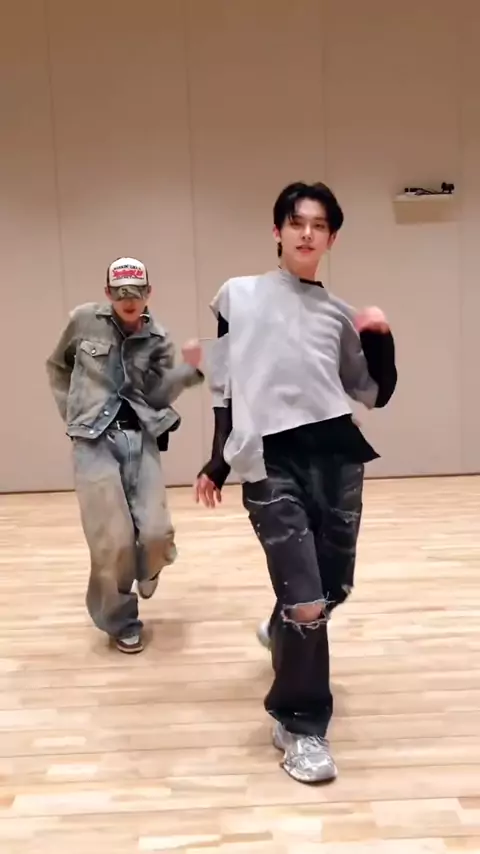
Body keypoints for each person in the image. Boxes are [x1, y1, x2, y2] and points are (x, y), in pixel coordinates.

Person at [194, 182, 397, 784]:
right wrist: (217, 459)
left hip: (337, 458)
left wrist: (381, 339)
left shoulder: (339, 314)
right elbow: (225, 381)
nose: (307, 233)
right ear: (278, 230)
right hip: (270, 460)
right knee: (307, 603)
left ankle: (282, 627)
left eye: (319, 225)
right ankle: (301, 725)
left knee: (329, 592)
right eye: (296, 222)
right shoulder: (238, 294)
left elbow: (373, 392)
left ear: (332, 238)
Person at [47, 257, 203, 653]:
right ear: (108, 293)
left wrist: (189, 371)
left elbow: (159, 394)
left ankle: (147, 566)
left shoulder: (158, 337)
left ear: (149, 293)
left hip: (140, 438)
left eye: (136, 293)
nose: (129, 301)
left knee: (156, 533)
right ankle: (121, 621)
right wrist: (72, 411)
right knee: (112, 541)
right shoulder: (83, 320)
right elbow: (57, 365)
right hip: (93, 441)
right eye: (120, 294)